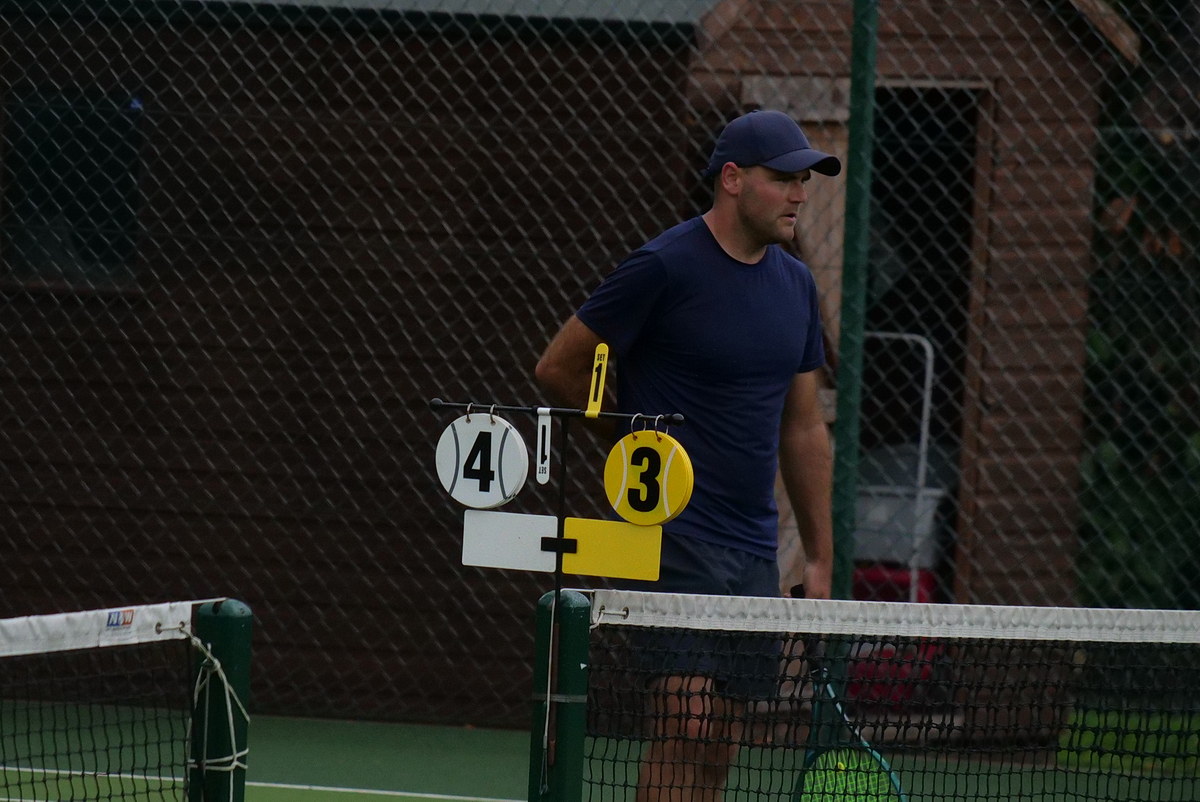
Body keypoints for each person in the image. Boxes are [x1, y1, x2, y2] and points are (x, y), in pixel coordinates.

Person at [535, 109, 838, 802]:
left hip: (753, 545)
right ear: (732, 179)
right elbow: (558, 368)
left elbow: (802, 428)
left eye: (805, 181)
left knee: (720, 740)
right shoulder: (664, 265)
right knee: (687, 723)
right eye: (784, 178)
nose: (799, 194)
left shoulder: (796, 286)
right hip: (670, 534)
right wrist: (631, 448)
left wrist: (818, 556)